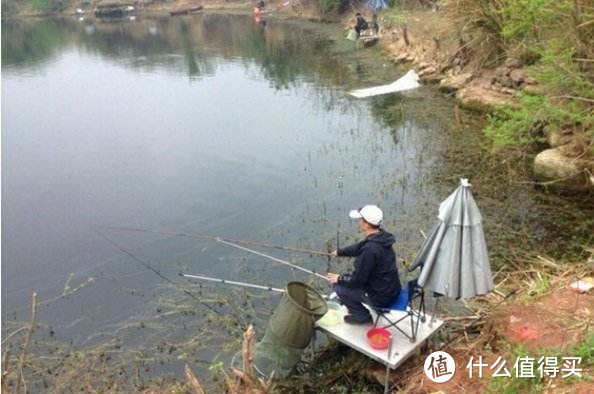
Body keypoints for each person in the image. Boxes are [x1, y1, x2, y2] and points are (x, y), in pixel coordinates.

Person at [326, 205, 401, 324]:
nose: (358, 222)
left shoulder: (370, 250)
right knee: (345, 279)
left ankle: (361, 316)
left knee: (339, 287)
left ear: (366, 224)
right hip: (393, 290)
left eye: (360, 220)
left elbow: (357, 281)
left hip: (381, 298)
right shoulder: (382, 238)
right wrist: (340, 252)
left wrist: (339, 278)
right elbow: (359, 247)